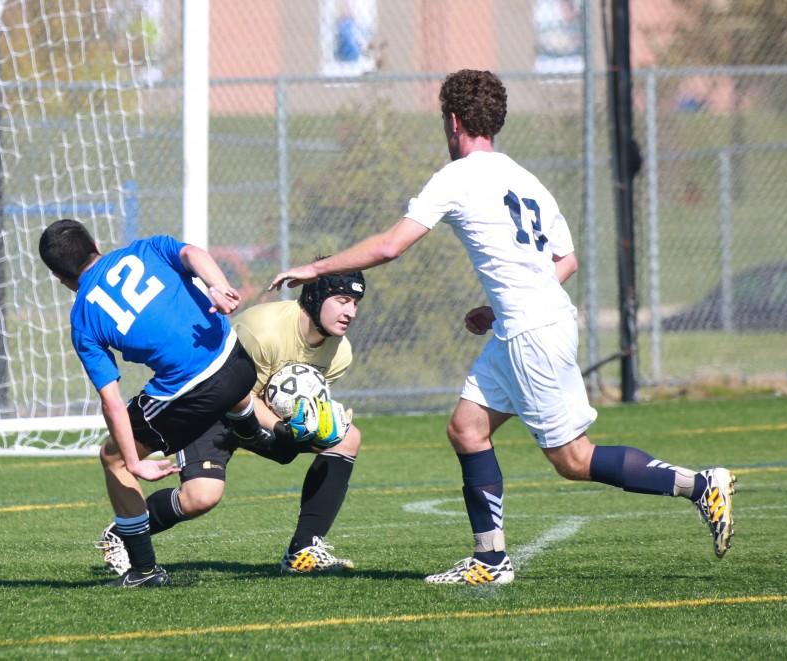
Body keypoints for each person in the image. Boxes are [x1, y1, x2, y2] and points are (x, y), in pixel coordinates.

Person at [269, 69, 735, 586]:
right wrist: (498, 307)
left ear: (453, 121)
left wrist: (316, 268)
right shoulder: (527, 179)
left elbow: (389, 246)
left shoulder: (458, 177)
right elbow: (567, 260)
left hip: (532, 333)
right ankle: (490, 561)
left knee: (573, 459)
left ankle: (699, 485)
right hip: (528, 325)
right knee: (467, 430)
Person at [39, 218, 261, 588]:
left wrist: (132, 462)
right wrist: (219, 287)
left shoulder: (83, 317)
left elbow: (111, 402)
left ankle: (143, 571)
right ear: (96, 245)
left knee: (111, 457)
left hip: (194, 394)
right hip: (239, 363)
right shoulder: (145, 248)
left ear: (59, 277)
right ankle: (250, 426)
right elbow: (194, 253)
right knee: (209, 398)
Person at [96, 271, 363, 575]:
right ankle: (121, 532)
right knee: (200, 497)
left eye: (355, 303)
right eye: (342, 300)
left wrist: (313, 423)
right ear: (315, 297)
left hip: (264, 416)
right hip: (213, 408)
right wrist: (279, 429)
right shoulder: (265, 329)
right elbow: (234, 391)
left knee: (346, 437)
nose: (350, 312)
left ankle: (304, 552)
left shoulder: (340, 352)